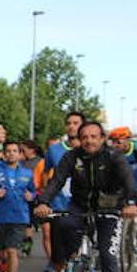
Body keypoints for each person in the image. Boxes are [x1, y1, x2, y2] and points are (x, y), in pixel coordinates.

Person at [35, 121, 137, 272]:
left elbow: (128, 180)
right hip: (79, 206)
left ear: (102, 138)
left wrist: (131, 203)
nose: (89, 140)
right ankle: (70, 262)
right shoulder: (72, 157)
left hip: (109, 209)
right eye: (85, 137)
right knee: (62, 223)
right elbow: (57, 181)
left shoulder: (114, 157)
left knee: (108, 256)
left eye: (94, 136)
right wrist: (43, 202)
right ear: (79, 140)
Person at [0, 140, 34, 272]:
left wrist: (32, 196)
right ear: (4, 154)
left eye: (14, 151)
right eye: (8, 151)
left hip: (20, 216)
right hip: (1, 216)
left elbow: (33, 192)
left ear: (20, 154)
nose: (11, 153)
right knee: (0, 252)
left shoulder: (27, 173)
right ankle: (3, 263)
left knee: (12, 250)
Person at [39, 110, 84, 261]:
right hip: (59, 205)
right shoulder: (54, 150)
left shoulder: (90, 148)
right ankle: (58, 269)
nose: (72, 126)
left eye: (76, 123)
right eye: (69, 123)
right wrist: (45, 196)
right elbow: (45, 173)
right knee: (58, 248)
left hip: (82, 204)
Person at [110, 126, 137, 258]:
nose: (115, 144)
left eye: (118, 141)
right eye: (113, 141)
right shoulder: (113, 153)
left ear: (127, 140)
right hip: (124, 189)